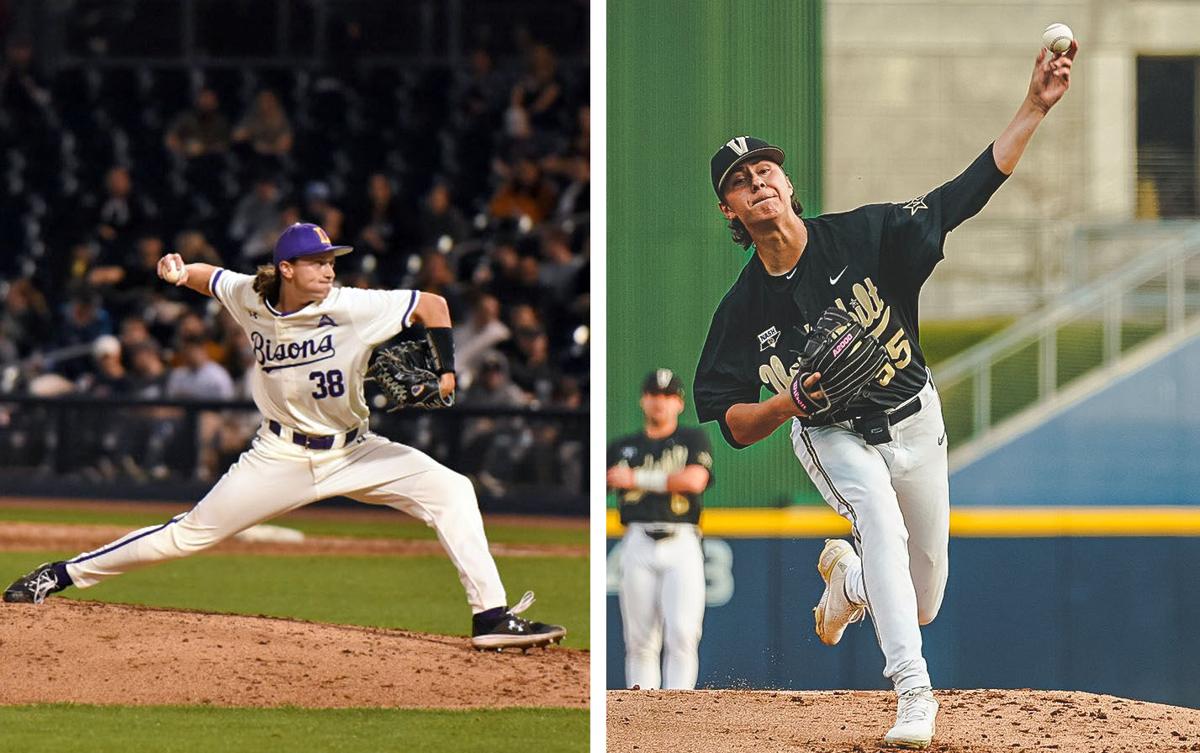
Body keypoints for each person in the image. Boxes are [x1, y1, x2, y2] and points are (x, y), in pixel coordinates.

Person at [692, 41, 1078, 748]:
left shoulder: (865, 235)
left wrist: (1033, 107)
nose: (760, 182)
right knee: (880, 522)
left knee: (924, 596)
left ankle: (850, 582)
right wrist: (787, 406)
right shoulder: (741, 311)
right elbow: (731, 421)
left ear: (786, 179)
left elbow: (965, 192)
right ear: (731, 211)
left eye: (766, 168)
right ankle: (914, 694)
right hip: (831, 431)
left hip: (917, 419)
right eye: (742, 180)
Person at [3, 222, 566, 651]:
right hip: (278, 454)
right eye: (318, 262)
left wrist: (443, 370)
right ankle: (58, 575)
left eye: (331, 260)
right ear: (287, 269)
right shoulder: (252, 294)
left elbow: (434, 305)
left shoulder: (353, 305)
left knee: (452, 490)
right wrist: (179, 271)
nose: (329, 270)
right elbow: (210, 278)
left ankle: (490, 617)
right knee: (186, 536)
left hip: (356, 449)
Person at [607, 369, 713, 690]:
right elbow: (607, 479)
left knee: (682, 633)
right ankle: (641, 715)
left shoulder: (693, 439)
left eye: (667, 396)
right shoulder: (623, 446)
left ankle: (677, 715)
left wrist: (637, 479)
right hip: (637, 539)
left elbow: (695, 480)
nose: (660, 403)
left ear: (679, 403)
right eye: (654, 395)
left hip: (682, 540)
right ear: (643, 400)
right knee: (640, 640)